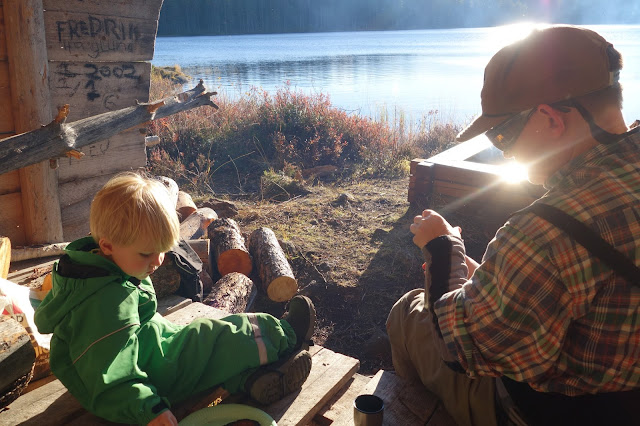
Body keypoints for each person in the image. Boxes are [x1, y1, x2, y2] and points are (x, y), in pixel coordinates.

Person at [386, 25, 639, 426]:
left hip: (542, 412)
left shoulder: (545, 234)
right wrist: (480, 272)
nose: (504, 154)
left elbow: (464, 350)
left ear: (550, 119)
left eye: (502, 135)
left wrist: (441, 248)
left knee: (408, 311)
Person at [34, 172, 316, 426]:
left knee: (203, 355)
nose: (157, 261)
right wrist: (150, 410)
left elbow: (108, 349)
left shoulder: (88, 269)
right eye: (146, 253)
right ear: (107, 245)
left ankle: (252, 380)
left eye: (162, 250)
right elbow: (110, 372)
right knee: (212, 335)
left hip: (140, 354)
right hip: (143, 381)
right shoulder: (107, 303)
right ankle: (286, 336)